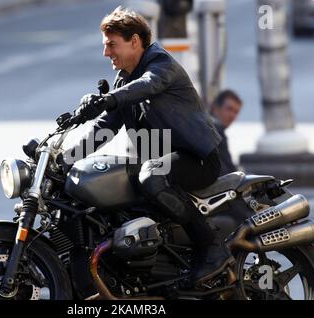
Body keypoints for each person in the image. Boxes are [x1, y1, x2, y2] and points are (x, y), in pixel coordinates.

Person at [61, 6, 234, 284]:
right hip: (165, 159)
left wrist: (110, 98)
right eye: (105, 46)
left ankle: (212, 247)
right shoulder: (124, 80)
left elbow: (149, 85)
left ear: (134, 41)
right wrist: (66, 159)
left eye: (111, 45)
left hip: (197, 158)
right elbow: (104, 128)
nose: (106, 53)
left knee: (151, 175)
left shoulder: (161, 64)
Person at [210, 90, 243, 175]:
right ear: (215, 108)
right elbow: (226, 171)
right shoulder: (212, 132)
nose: (232, 115)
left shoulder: (216, 131)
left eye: (236, 112)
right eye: (229, 109)